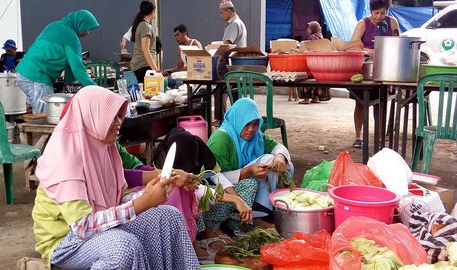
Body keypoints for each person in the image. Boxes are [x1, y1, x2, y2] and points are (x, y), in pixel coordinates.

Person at [32, 86, 200, 269]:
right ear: (91, 117)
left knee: (167, 216)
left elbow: (118, 192)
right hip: (66, 241)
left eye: (119, 116)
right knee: (123, 247)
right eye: (111, 117)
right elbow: (82, 226)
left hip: (97, 229)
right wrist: (143, 201)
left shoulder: (104, 148)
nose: (118, 122)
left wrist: (156, 190)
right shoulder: (64, 158)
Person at [153, 127, 254, 261]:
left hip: (206, 197)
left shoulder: (200, 151)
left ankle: (218, 230)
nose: (187, 171)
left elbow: (214, 179)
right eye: (183, 168)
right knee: (186, 191)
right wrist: (235, 200)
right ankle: (199, 239)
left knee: (250, 184)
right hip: (179, 213)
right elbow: (200, 190)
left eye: (189, 167)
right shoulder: (162, 174)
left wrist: (237, 199)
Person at [208, 98, 294, 217]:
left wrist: (279, 157)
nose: (251, 129)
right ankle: (264, 210)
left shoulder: (256, 136)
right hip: (224, 188)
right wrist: (249, 171)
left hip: (245, 180)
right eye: (246, 124)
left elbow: (279, 147)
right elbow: (217, 176)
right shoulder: (220, 139)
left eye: (255, 124)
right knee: (268, 160)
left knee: (285, 164)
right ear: (237, 121)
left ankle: (271, 205)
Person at [334, 0, 399, 148]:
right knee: (360, 103)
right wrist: (367, 50)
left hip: (385, 69)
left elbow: (397, 43)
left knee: (382, 103)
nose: (379, 16)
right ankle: (358, 136)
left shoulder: (392, 23)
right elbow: (353, 44)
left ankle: (380, 137)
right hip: (365, 68)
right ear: (371, 11)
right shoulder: (363, 24)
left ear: (387, 11)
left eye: (383, 13)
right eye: (376, 13)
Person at [16, 9, 98, 113]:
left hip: (24, 73)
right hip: (37, 76)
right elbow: (78, 69)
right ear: (80, 24)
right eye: (86, 29)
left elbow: (68, 62)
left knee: (39, 112)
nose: (87, 33)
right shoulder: (71, 37)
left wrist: (69, 82)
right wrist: (96, 89)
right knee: (46, 115)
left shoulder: (54, 26)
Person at [298, 21, 330, 104]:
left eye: (308, 28)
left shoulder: (311, 37)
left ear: (313, 29)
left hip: (311, 63)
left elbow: (307, 49)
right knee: (316, 81)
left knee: (307, 80)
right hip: (320, 65)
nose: (307, 30)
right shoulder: (321, 37)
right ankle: (316, 98)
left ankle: (306, 98)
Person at [130, 1, 160, 83]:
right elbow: (145, 49)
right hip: (144, 65)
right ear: (152, 11)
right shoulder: (145, 26)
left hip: (142, 65)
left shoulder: (140, 24)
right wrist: (155, 69)